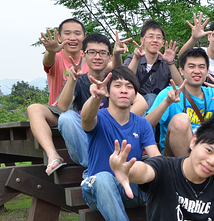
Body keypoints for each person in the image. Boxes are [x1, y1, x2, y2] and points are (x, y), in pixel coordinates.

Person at [28, 33, 148, 175]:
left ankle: (97, 169)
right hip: (86, 142)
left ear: (109, 57)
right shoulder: (78, 81)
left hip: (112, 141)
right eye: (92, 52)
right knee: (67, 117)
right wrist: (72, 78)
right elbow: (63, 107)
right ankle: (95, 165)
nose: (97, 57)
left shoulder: (114, 81)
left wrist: (113, 123)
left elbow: (141, 103)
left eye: (102, 53)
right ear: (84, 56)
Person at [81, 66, 159, 221]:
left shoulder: (142, 124)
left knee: (159, 175)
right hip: (101, 191)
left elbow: (157, 159)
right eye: (117, 85)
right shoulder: (99, 118)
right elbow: (86, 119)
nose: (124, 90)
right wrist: (95, 98)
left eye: (129, 86)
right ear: (108, 92)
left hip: (132, 189)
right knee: (102, 178)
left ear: (135, 94)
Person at [146, 48, 214, 156]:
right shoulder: (169, 93)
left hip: (208, 151)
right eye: (191, 66)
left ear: (207, 71)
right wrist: (166, 102)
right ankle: (187, 166)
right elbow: (145, 125)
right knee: (181, 120)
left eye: (201, 67)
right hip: (173, 158)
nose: (197, 71)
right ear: (181, 71)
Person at [118, 21, 184, 108]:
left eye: (158, 37)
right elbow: (125, 80)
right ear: (142, 40)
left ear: (163, 42)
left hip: (160, 106)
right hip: (135, 105)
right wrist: (136, 58)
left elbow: (180, 87)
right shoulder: (132, 58)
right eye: (151, 36)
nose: (155, 40)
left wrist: (170, 63)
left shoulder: (165, 63)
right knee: (151, 97)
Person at [39, 18, 89, 105]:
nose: (72, 38)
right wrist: (51, 51)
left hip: (85, 111)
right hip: (58, 110)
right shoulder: (56, 57)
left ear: (84, 38)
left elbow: (110, 67)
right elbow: (48, 62)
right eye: (67, 33)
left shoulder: (90, 58)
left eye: (77, 33)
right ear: (59, 38)